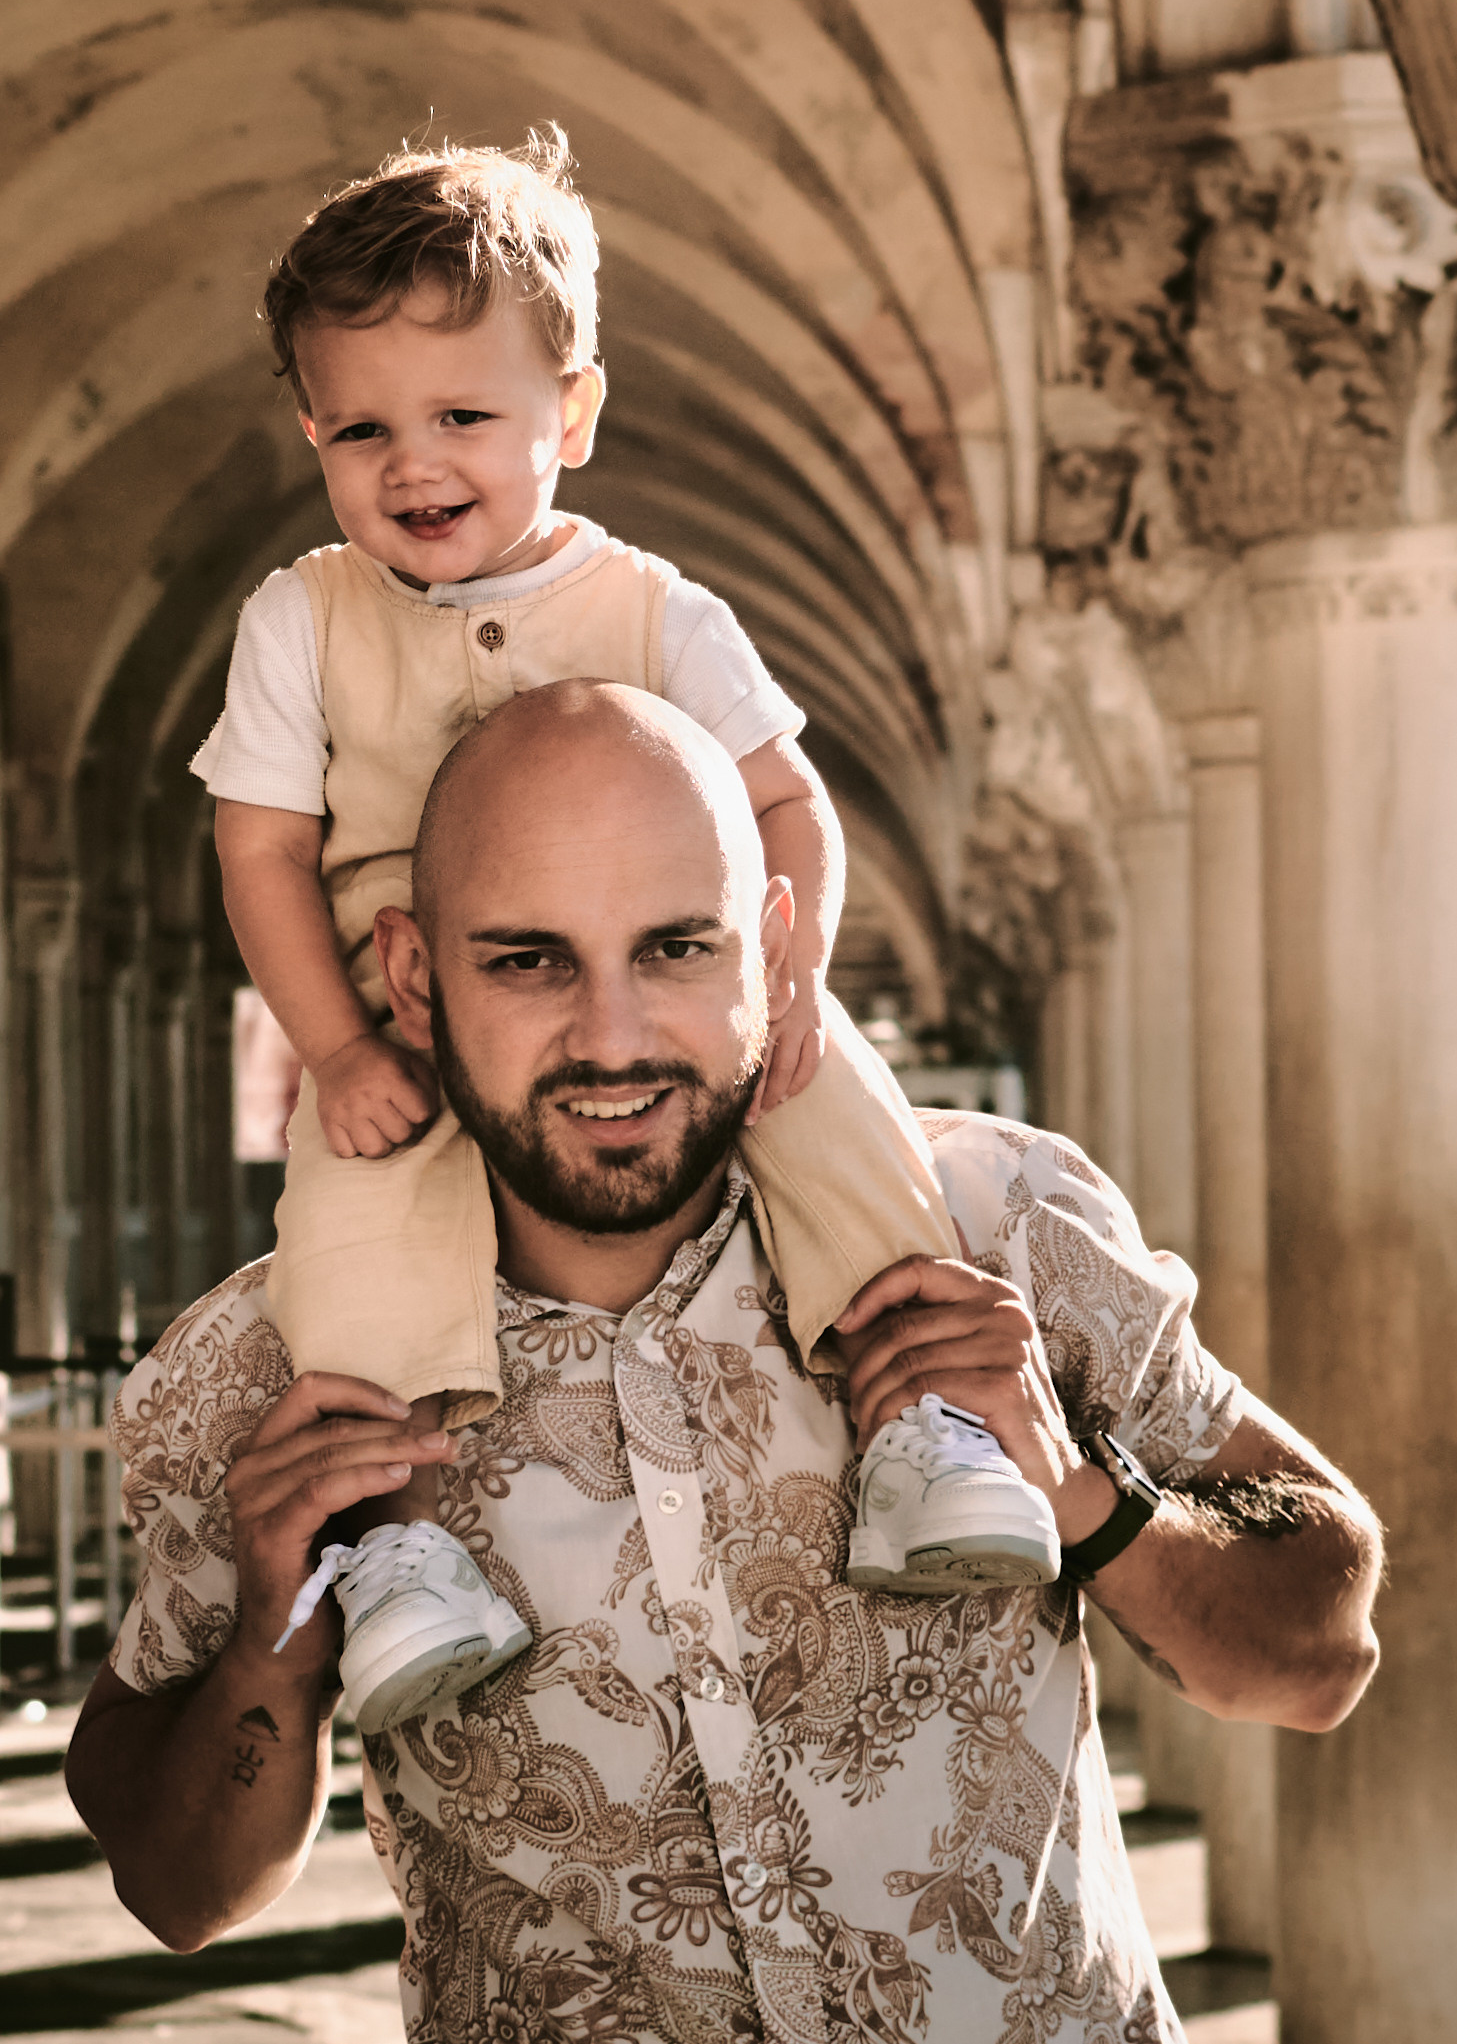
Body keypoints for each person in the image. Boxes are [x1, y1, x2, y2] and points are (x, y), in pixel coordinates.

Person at [68, 684, 1382, 2044]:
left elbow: (1318, 1655)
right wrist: (267, 1658)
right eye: (527, 959)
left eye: (676, 949)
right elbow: (177, 1894)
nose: (614, 1035)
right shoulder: (262, 1374)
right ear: (411, 974)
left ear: (770, 940)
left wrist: (1073, 1484)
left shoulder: (998, 1230)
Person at [195, 130, 1057, 1732]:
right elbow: (259, 849)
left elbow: (791, 811)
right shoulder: (298, 619)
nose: (413, 461)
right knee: (357, 1236)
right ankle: (395, 1548)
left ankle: (927, 1434)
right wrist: (332, 1045)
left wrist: (791, 974)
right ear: (309, 430)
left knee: (839, 1129)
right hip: (402, 1015)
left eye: (464, 415)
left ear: (572, 414)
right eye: (360, 427)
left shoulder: (660, 609)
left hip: (665, 983)